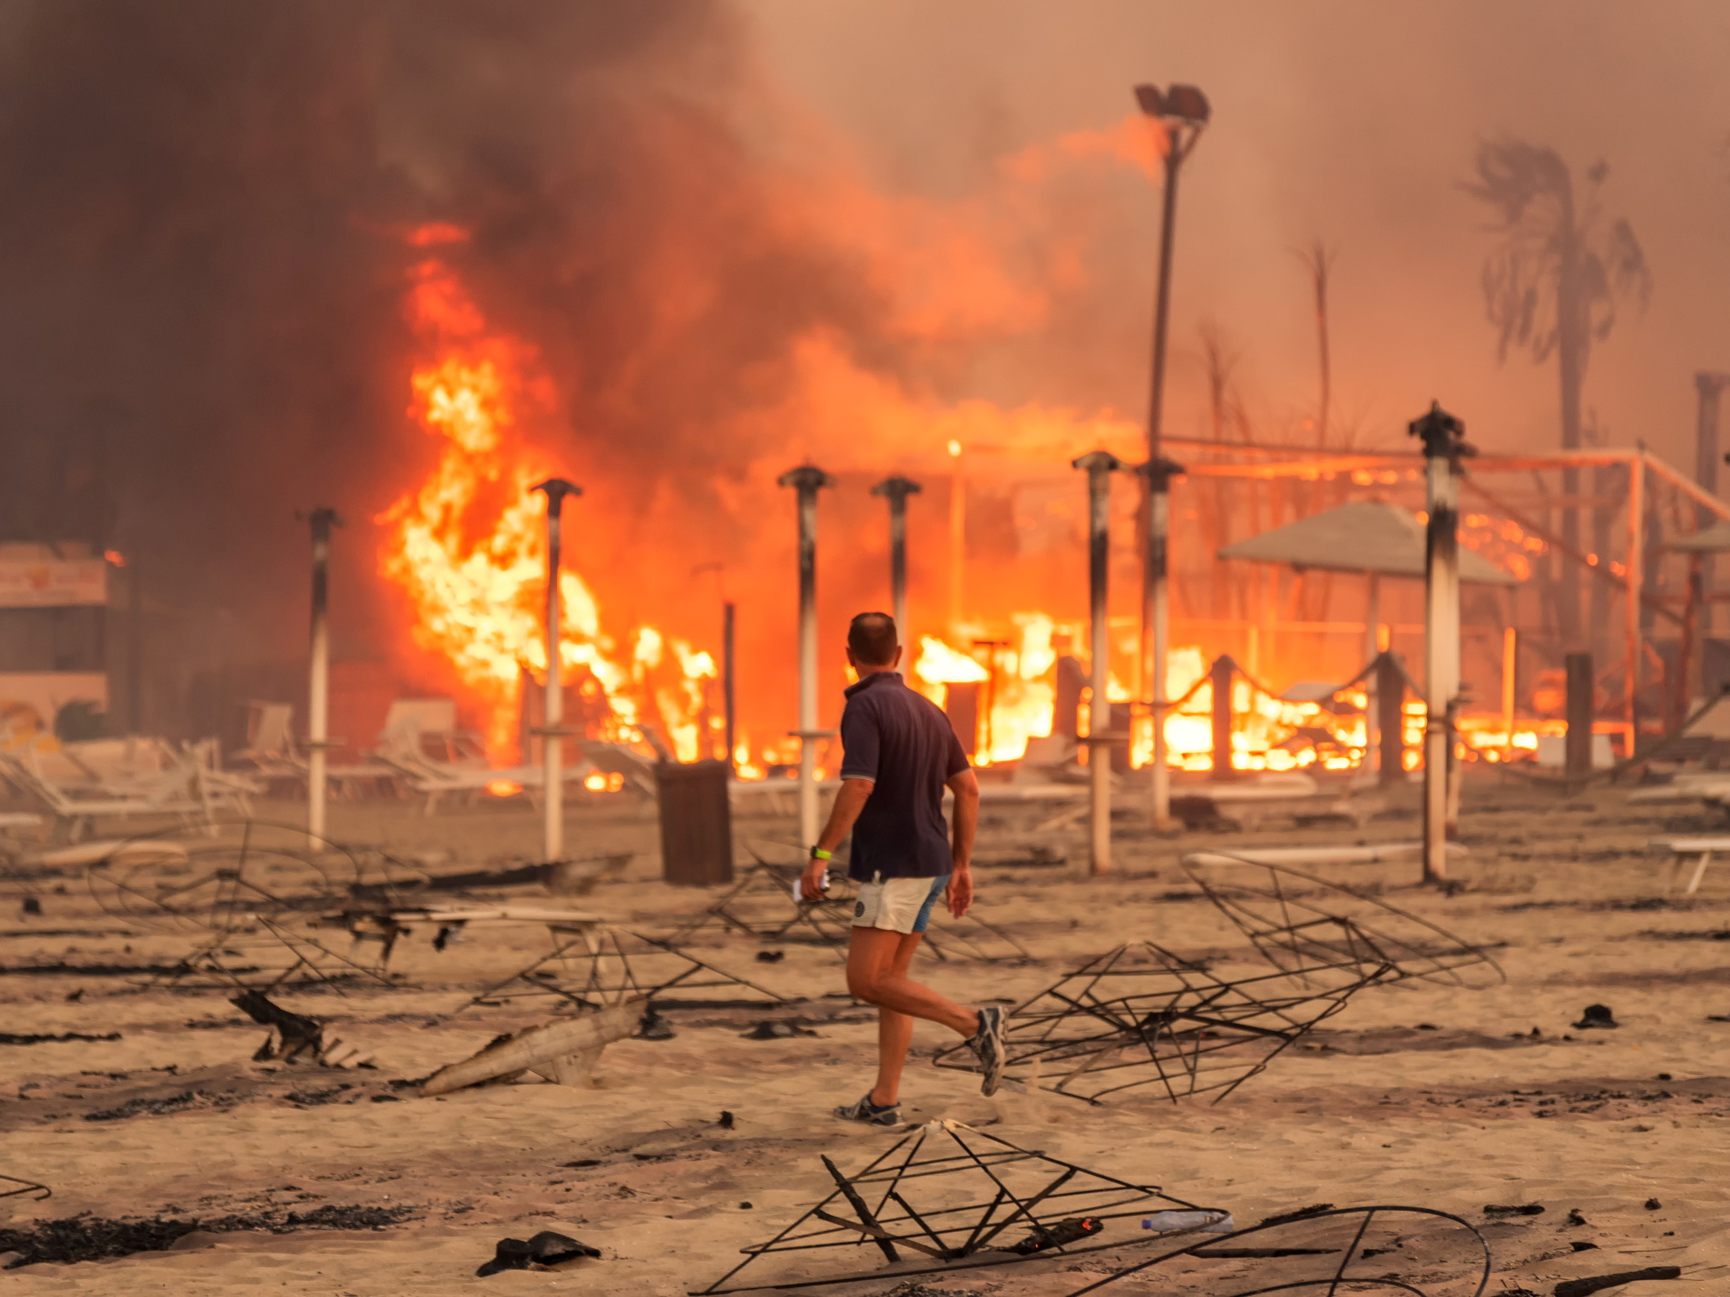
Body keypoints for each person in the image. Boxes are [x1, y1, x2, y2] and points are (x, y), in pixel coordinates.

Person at [798, 611, 1006, 1127]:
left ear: (849, 657)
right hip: (931, 860)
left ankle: (975, 1023)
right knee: (893, 981)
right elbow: (969, 789)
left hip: (893, 866)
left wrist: (820, 854)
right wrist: (961, 865)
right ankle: (884, 1100)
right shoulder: (930, 710)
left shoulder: (865, 707)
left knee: (864, 981)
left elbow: (859, 784)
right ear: (899, 654)